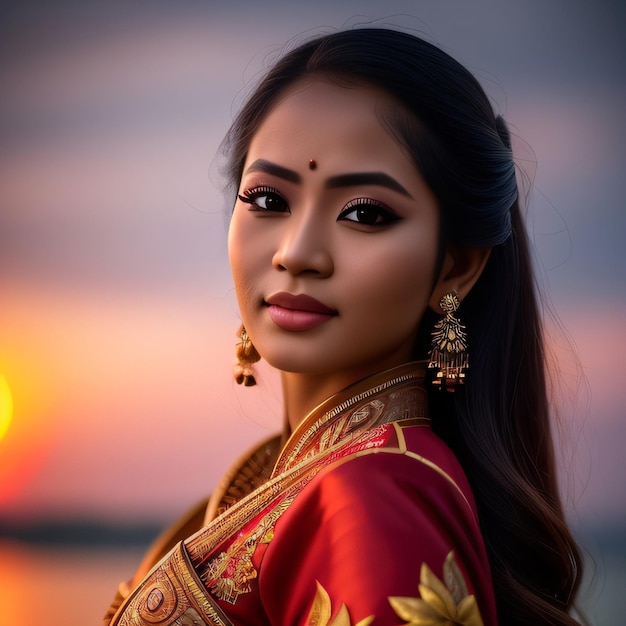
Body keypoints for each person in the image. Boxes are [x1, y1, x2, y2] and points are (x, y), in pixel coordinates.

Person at [104, 28, 584, 626]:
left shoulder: (372, 494)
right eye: (268, 200)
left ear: (455, 265)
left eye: (364, 213)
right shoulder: (285, 482)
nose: (297, 252)